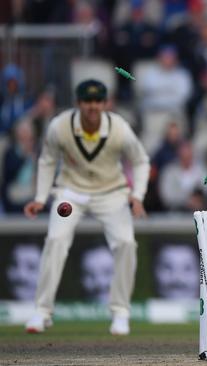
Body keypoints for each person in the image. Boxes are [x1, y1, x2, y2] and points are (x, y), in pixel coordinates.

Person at [23, 79, 150, 335]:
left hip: (112, 191)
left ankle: (120, 312)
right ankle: (42, 311)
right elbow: (47, 160)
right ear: (78, 103)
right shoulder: (59, 127)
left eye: (97, 101)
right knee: (55, 239)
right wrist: (40, 196)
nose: (92, 107)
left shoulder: (119, 128)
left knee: (126, 243)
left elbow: (141, 161)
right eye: (87, 101)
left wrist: (137, 195)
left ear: (105, 104)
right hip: (71, 191)